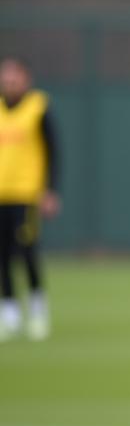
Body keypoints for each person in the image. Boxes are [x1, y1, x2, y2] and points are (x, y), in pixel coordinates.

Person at [0, 56, 60, 343]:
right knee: (2, 255)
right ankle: (9, 312)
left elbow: (53, 150)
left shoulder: (38, 107)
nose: (10, 81)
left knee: (26, 252)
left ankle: (37, 309)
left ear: (26, 78)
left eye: (15, 76)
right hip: (2, 194)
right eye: (6, 76)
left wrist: (50, 189)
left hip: (26, 194)